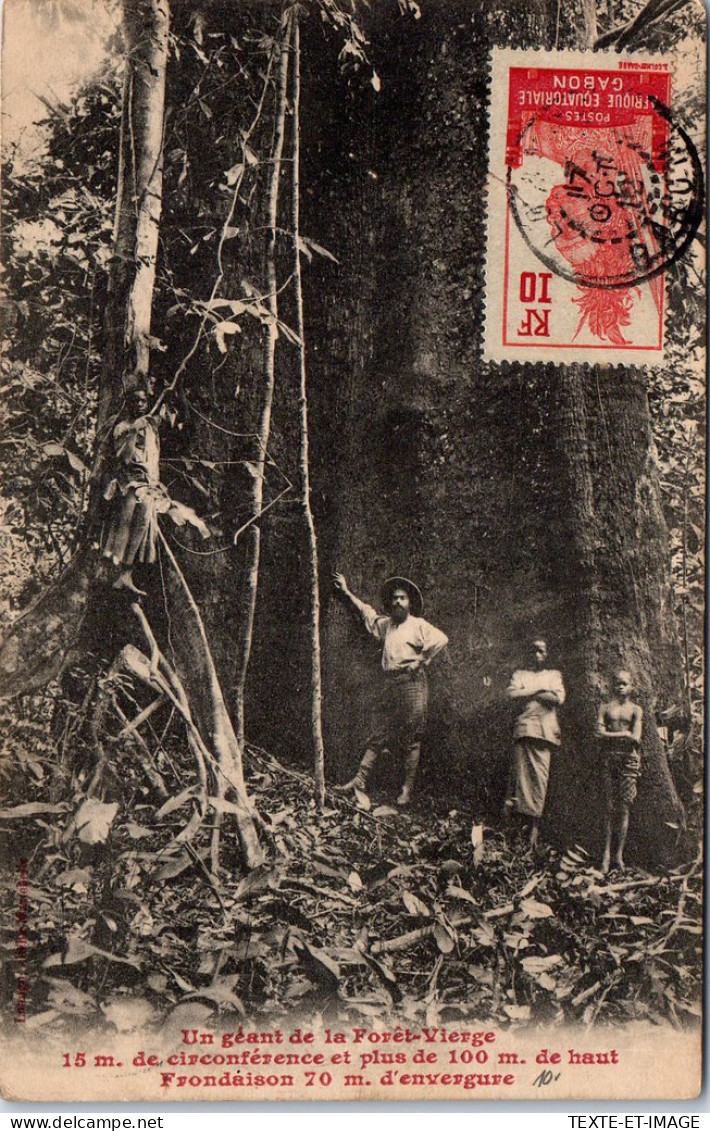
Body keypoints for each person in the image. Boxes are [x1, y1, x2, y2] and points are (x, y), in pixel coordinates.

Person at [332, 573, 448, 806]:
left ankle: (406, 789)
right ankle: (360, 779)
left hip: (412, 683)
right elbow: (367, 612)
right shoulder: (387, 625)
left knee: (412, 738)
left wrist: (422, 659)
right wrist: (346, 591)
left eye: (402, 598)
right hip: (390, 683)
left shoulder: (418, 625)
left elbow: (441, 638)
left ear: (410, 602)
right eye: (394, 598)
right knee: (378, 733)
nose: (397, 602)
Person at [504, 638, 565, 849]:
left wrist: (528, 692)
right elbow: (511, 694)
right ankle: (517, 831)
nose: (536, 656)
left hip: (545, 732)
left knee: (540, 780)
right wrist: (539, 692)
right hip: (524, 729)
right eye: (533, 651)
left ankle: (534, 827)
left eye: (541, 652)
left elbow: (557, 698)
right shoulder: (520, 674)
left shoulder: (554, 675)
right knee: (520, 780)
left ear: (547, 654)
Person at [596, 670, 643, 873]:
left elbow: (636, 738)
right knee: (608, 806)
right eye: (617, 683)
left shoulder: (636, 710)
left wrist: (615, 734)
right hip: (609, 758)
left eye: (625, 683)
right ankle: (605, 855)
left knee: (624, 807)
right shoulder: (605, 708)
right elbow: (598, 733)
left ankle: (618, 856)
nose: (620, 686)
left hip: (628, 760)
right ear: (612, 686)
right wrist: (624, 733)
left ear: (631, 686)